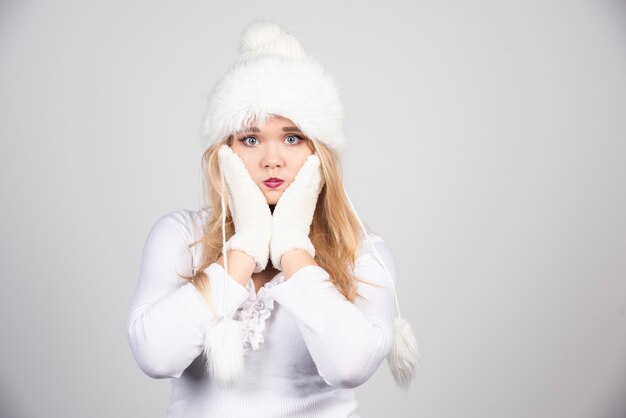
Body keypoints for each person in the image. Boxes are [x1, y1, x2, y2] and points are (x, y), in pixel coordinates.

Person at [126, 20, 420, 418]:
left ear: (321, 152)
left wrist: (292, 249)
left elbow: (350, 365)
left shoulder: (361, 249)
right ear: (224, 152)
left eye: (293, 137)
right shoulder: (182, 235)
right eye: (250, 139)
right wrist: (246, 245)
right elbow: (156, 356)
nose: (272, 159)